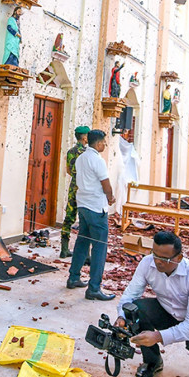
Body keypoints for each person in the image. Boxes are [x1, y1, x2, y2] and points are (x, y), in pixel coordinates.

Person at [117, 230, 189, 377]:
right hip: (166, 311)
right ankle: (153, 361)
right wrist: (122, 318)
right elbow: (130, 294)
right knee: (134, 310)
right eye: (154, 254)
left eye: (164, 258)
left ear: (178, 258)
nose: (158, 262)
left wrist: (157, 336)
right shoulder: (147, 263)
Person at [66, 129, 115, 301]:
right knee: (100, 247)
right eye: (104, 142)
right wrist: (110, 197)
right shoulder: (97, 160)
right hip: (96, 206)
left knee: (82, 241)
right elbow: (105, 184)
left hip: (83, 205)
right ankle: (94, 287)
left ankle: (73, 277)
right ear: (99, 143)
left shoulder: (80, 158)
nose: (105, 145)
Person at [60, 126, 89, 258]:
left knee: (69, 217)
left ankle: (64, 249)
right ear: (84, 137)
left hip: (73, 186)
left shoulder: (71, 151)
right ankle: (86, 254)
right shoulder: (87, 153)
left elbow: (68, 170)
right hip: (84, 188)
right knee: (86, 219)